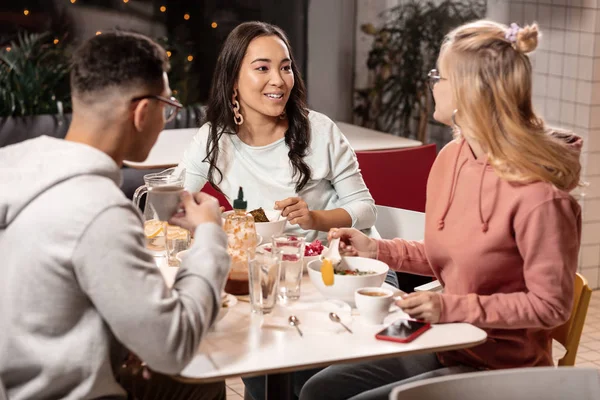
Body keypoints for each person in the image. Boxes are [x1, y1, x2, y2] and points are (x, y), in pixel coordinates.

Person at [298, 20, 583, 400]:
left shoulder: (539, 197)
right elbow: (447, 256)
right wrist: (374, 250)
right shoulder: (453, 157)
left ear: (469, 91)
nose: (432, 83)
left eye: (439, 75)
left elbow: (550, 307)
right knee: (320, 390)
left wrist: (448, 306)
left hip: (500, 368)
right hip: (447, 341)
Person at [0, 31, 230, 400]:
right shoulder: (99, 210)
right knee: (200, 381)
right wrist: (209, 235)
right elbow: (174, 346)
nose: (166, 119)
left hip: (19, 379)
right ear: (141, 112)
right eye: (167, 107)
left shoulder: (15, 167)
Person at [177, 21, 377, 244]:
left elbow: (366, 209)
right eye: (262, 68)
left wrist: (313, 218)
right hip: (273, 266)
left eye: (285, 68)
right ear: (233, 79)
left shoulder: (320, 130)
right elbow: (174, 203)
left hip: (347, 260)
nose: (279, 81)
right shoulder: (213, 140)